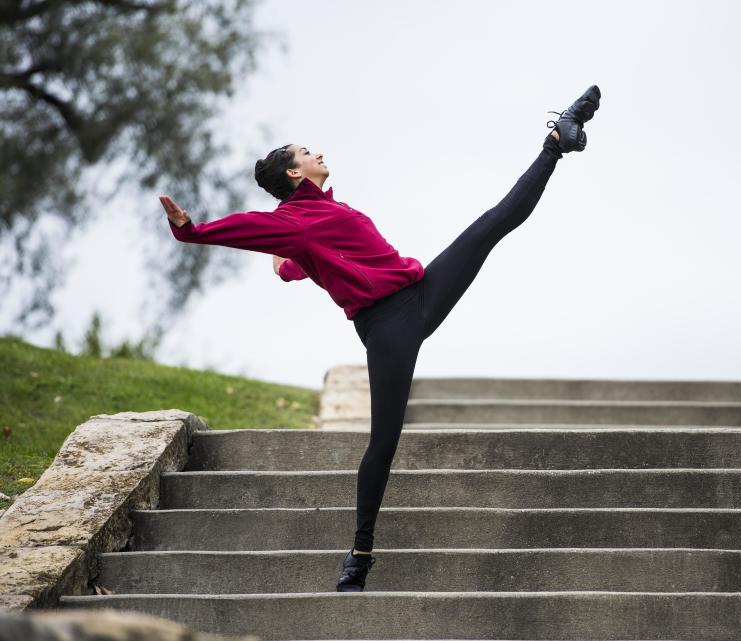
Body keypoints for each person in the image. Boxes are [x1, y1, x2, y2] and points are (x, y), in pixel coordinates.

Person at [159, 84, 602, 592]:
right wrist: (191, 230)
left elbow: (324, 257)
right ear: (293, 172)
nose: (318, 152)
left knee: (490, 225)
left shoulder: (322, 214)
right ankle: (361, 554)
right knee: (384, 442)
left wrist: (291, 268)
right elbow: (245, 229)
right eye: (307, 152)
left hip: (419, 293)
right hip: (388, 328)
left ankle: (557, 139)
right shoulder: (292, 222)